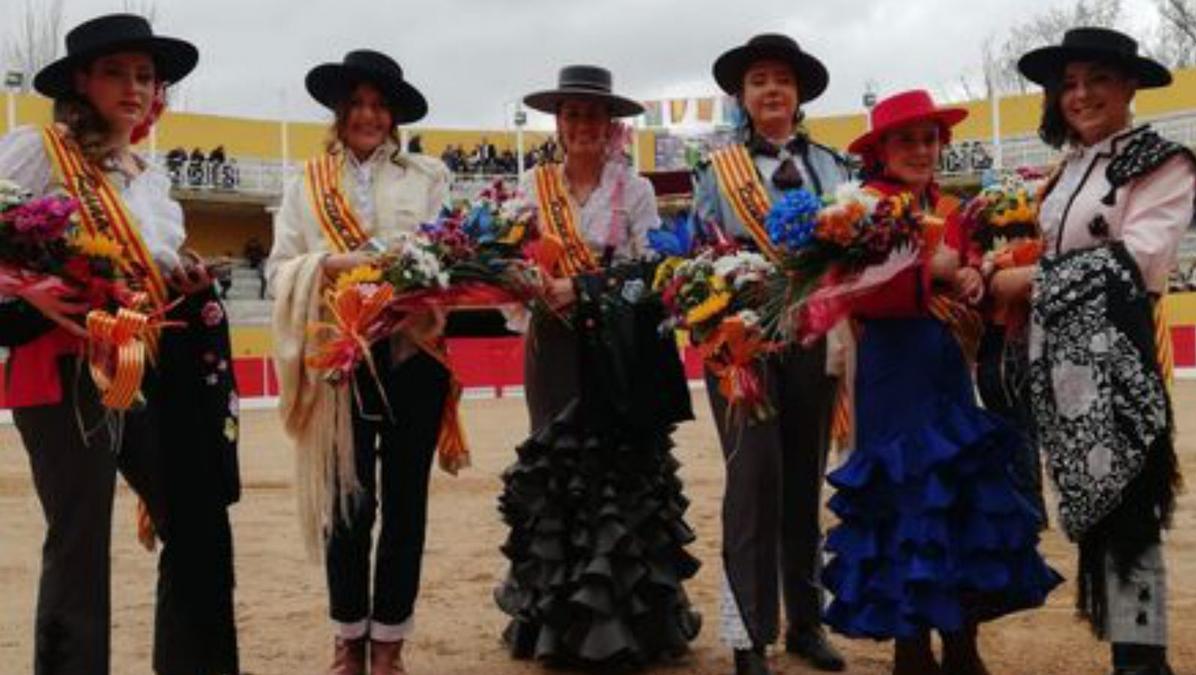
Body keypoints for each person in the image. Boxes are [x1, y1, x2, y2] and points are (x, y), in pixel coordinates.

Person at [0, 13, 241, 675]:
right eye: (116, 73)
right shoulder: (38, 150)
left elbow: (147, 269)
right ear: (82, 80)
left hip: (147, 365)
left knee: (193, 521)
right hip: (64, 363)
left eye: (145, 76)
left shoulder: (150, 178)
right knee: (79, 541)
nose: (134, 87)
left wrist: (183, 277)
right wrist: (25, 290)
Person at [820, 89, 1061, 675]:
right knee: (903, 502)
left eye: (929, 139)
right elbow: (852, 292)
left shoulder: (949, 209)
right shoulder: (859, 207)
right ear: (879, 150)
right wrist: (932, 274)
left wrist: (976, 279)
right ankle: (911, 647)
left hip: (947, 371)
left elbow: (966, 278)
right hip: (891, 372)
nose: (921, 150)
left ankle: (960, 641)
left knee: (954, 498)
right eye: (907, 140)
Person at [996, 28, 1196, 675]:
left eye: (1097, 80)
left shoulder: (1165, 161)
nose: (1080, 95)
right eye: (1070, 83)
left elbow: (1140, 260)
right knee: (1106, 516)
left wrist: (1027, 279)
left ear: (1130, 85)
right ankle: (1131, 656)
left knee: (1131, 515)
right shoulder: (1067, 170)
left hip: (1119, 367)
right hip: (1064, 369)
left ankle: (1142, 664)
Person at [493, 64, 701, 669]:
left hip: (616, 350)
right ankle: (560, 626)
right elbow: (503, 261)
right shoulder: (529, 188)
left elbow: (652, 272)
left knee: (621, 476)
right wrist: (523, 280)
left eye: (593, 115)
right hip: (551, 349)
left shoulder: (633, 190)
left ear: (610, 126)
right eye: (573, 114)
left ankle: (629, 627)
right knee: (558, 471)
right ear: (558, 123)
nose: (583, 125)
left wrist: (580, 287)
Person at [267, 49, 453, 675]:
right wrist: (334, 266)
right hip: (339, 354)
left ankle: (390, 643)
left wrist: (411, 299)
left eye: (380, 105)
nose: (369, 115)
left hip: (412, 353)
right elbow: (278, 270)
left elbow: (448, 259)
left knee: (406, 504)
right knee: (347, 502)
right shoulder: (306, 182)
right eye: (358, 104)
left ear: (393, 116)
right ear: (340, 111)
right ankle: (348, 638)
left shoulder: (429, 176)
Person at [691, 33, 849, 675]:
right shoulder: (714, 172)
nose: (771, 90)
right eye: (758, 80)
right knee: (751, 485)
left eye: (782, 79)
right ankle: (746, 635)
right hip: (740, 347)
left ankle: (807, 622)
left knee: (803, 481)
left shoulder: (836, 169)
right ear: (742, 96)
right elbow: (697, 256)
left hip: (812, 341)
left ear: (800, 93)